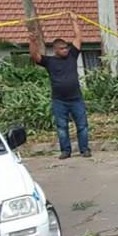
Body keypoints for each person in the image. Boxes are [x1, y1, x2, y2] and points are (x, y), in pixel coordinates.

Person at [28, 20, 90, 159]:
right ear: (55, 50)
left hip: (76, 99)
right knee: (62, 128)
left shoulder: (72, 56)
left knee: (82, 126)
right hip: (59, 101)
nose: (65, 50)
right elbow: (34, 56)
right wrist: (32, 41)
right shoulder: (49, 61)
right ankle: (65, 151)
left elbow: (78, 37)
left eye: (66, 47)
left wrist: (73, 19)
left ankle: (84, 149)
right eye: (62, 48)